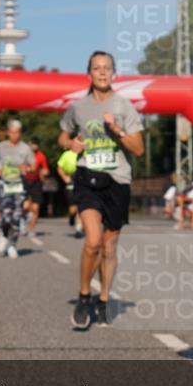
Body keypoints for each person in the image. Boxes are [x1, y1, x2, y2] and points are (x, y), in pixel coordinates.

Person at [59, 50, 144, 330]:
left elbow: (139, 149)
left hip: (117, 180)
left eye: (107, 68)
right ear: (90, 74)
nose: (103, 72)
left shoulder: (124, 106)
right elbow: (63, 135)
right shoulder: (78, 107)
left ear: (113, 73)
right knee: (93, 240)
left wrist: (118, 131)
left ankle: (104, 299)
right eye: (97, 68)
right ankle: (85, 296)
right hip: (87, 178)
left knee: (109, 247)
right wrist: (71, 144)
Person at [0, 119, 34, 259]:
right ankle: (4, 235)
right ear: (8, 132)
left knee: (16, 219)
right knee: (6, 216)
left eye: (18, 133)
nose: (15, 136)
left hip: (19, 186)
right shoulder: (0, 147)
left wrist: (26, 168)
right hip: (5, 184)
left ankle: (12, 245)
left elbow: (33, 166)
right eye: (12, 133)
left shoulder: (25, 148)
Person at [23, 136, 50, 234]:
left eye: (35, 144)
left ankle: (31, 228)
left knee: (36, 208)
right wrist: (26, 169)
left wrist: (45, 172)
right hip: (25, 181)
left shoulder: (41, 156)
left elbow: (45, 169)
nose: (33, 146)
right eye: (31, 144)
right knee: (25, 206)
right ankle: (24, 220)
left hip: (36, 182)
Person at [56, 143, 83, 237]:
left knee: (81, 206)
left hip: (81, 180)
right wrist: (65, 177)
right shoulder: (66, 154)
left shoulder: (84, 153)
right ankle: (72, 216)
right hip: (70, 180)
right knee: (73, 208)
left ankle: (79, 229)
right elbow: (59, 168)